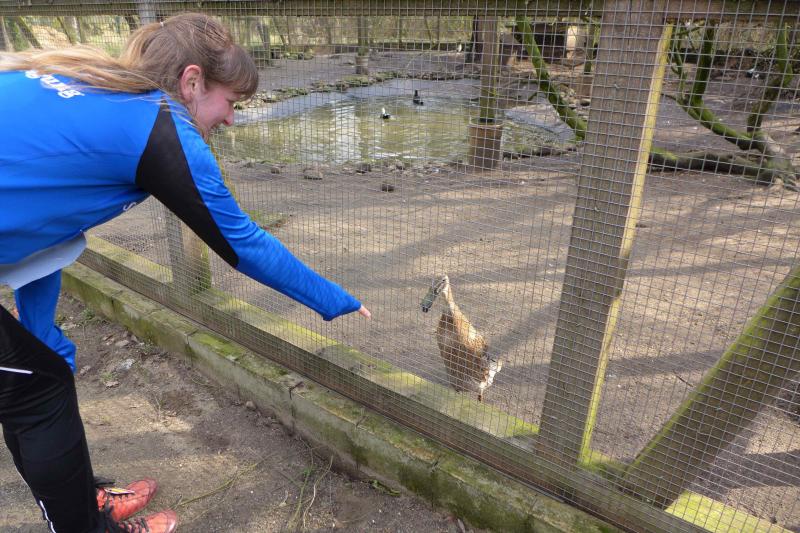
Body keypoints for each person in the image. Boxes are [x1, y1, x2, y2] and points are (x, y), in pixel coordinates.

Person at [0, 13, 370, 533]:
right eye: (231, 101)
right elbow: (244, 244)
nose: (231, 119)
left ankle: (83, 500)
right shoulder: (158, 127)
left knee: (39, 373)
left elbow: (46, 227)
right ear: (192, 81)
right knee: (39, 390)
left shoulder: (88, 83)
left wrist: (40, 332)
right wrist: (335, 299)